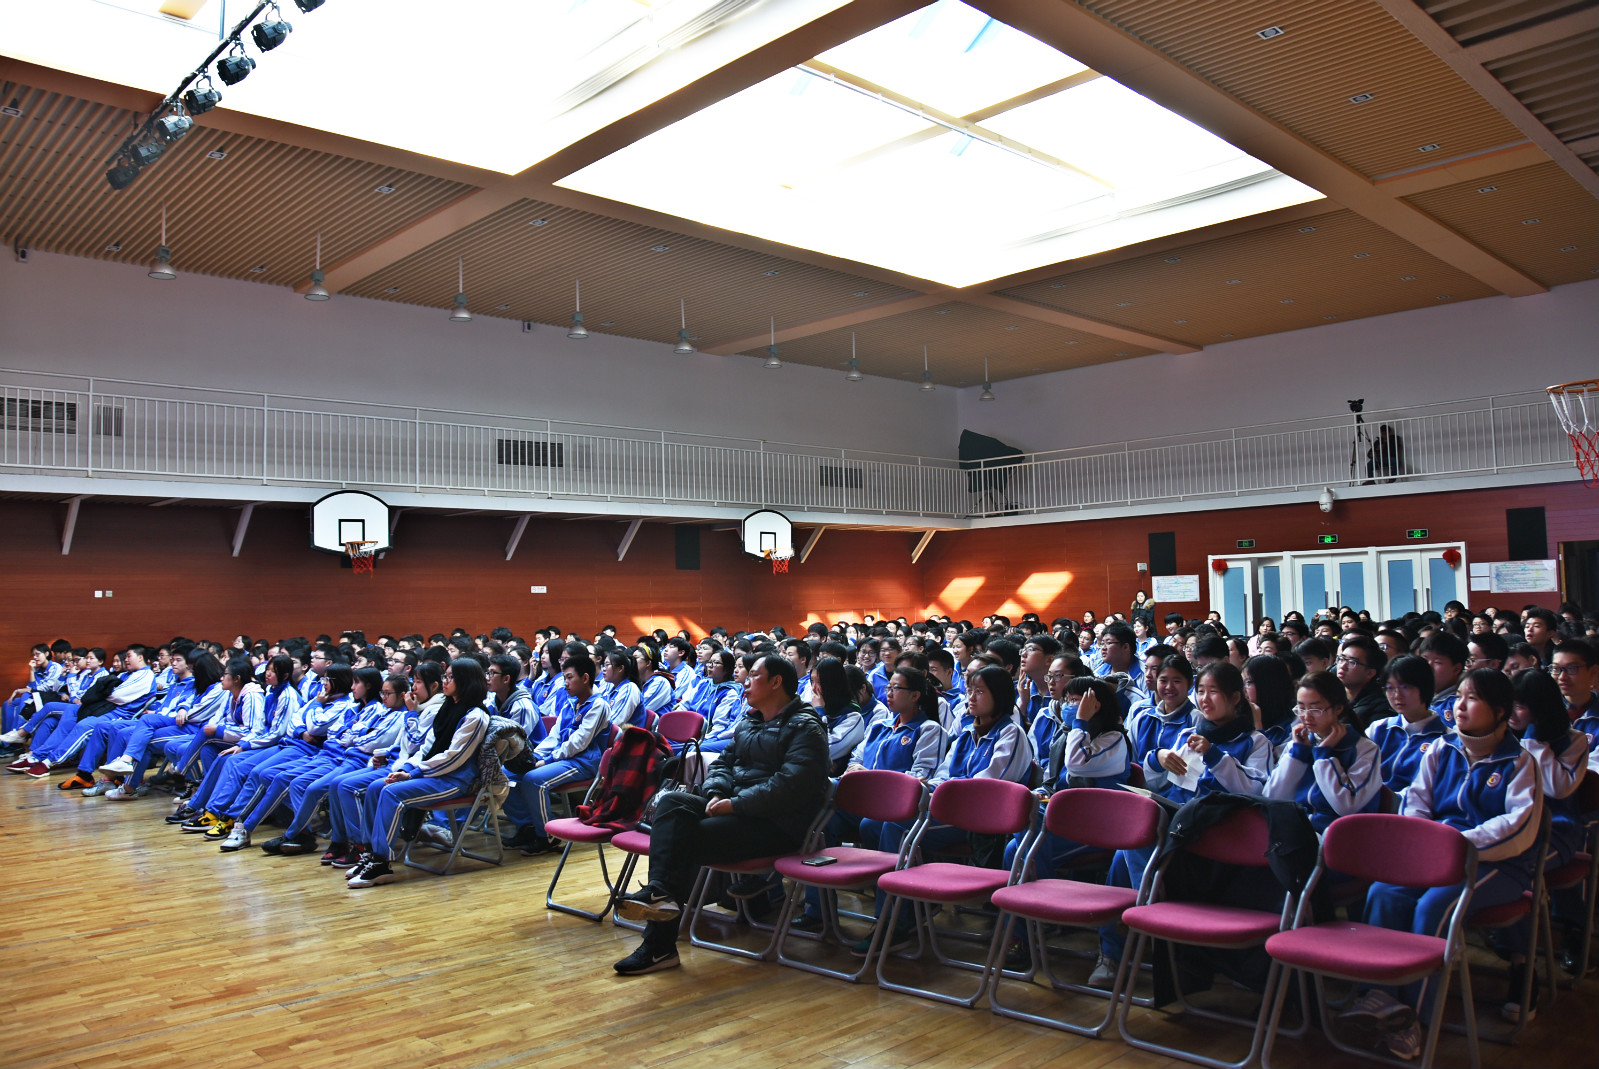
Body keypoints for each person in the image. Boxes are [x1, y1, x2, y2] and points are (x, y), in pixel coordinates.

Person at [1355, 668, 1543, 1051]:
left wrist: (1454, 843)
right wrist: (1426, 842)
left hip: (1494, 865)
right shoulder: (1442, 748)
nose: (1460, 705)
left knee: (1434, 908)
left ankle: (1415, 1017)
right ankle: (1380, 998)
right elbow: (1417, 802)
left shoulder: (1520, 762)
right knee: (1383, 893)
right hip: (1433, 855)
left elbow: (1516, 825)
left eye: (1473, 698)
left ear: (1500, 711)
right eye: (1459, 696)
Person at [612, 653, 829, 975]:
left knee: (684, 838)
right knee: (673, 803)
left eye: (753, 675)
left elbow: (789, 787)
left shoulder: (806, 727)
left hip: (777, 825)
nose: (745, 682)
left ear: (776, 682)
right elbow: (723, 764)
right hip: (736, 811)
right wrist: (716, 793)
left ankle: (659, 943)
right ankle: (659, 894)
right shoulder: (751, 721)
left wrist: (735, 804)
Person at [345, 657, 492, 888]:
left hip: (454, 781)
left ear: (466, 681)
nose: (445, 681)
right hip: (432, 774)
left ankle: (382, 863)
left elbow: (453, 758)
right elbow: (426, 748)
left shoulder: (476, 715)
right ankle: (370, 853)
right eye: (445, 676)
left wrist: (414, 774)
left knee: (391, 793)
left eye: (451, 677)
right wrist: (407, 768)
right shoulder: (448, 706)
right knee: (376, 787)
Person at [500, 652, 610, 857]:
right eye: (564, 677)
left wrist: (548, 760)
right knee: (504, 775)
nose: (565, 682)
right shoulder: (571, 702)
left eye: (569, 677)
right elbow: (554, 736)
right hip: (564, 758)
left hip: (584, 762)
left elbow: (579, 743)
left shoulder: (598, 705)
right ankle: (527, 826)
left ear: (585, 678)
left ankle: (547, 836)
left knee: (534, 780)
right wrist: (535, 757)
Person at [1265, 670, 1383, 832]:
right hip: (1299, 831)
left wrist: (1323, 757)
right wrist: (1297, 755)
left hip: (1342, 834)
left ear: (1338, 708)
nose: (1306, 717)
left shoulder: (1364, 749)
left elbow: (1346, 806)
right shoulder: (1299, 744)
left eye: (1316, 709)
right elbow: (1272, 797)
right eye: (1301, 708)